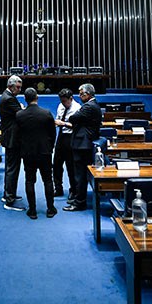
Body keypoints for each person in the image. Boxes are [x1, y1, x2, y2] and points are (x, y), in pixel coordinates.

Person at [15, 88, 57, 219]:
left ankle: (32, 210)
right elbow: (52, 134)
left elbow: (18, 135)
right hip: (45, 151)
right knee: (48, 180)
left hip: (28, 152)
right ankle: (50, 209)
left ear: (25, 99)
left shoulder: (19, 115)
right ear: (37, 97)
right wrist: (50, 148)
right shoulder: (46, 113)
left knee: (29, 180)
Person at [60, 83, 102, 212]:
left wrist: (76, 117)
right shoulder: (91, 105)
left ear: (87, 94)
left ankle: (79, 203)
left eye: (81, 93)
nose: (79, 95)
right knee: (80, 175)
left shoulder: (89, 106)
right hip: (84, 143)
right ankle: (79, 199)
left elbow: (73, 118)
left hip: (82, 145)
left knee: (80, 175)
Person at [0, 75, 24, 211]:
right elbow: (21, 113)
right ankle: (10, 200)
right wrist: (22, 107)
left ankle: (8, 194)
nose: (20, 90)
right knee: (12, 169)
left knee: (10, 167)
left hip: (10, 136)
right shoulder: (9, 98)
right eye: (18, 87)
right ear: (10, 86)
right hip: (13, 138)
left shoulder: (7, 96)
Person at [53, 88, 80, 198]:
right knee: (57, 164)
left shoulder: (77, 108)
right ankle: (58, 188)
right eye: (61, 101)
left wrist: (63, 123)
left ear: (71, 98)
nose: (63, 103)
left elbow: (77, 126)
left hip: (71, 137)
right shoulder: (61, 106)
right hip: (61, 136)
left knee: (70, 165)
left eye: (65, 101)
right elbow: (58, 119)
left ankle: (73, 189)